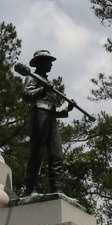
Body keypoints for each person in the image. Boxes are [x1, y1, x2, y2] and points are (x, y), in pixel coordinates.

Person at [22, 50, 70, 196]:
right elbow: (26, 95)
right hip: (39, 115)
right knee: (37, 152)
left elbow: (51, 109)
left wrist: (67, 109)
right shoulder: (33, 77)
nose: (50, 65)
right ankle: (30, 188)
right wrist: (42, 90)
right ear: (40, 63)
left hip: (51, 118)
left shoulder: (47, 82)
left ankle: (57, 189)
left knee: (57, 155)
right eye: (48, 61)